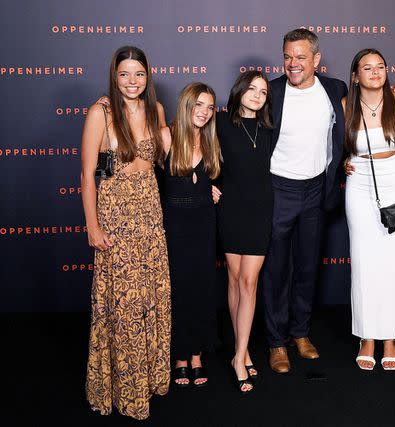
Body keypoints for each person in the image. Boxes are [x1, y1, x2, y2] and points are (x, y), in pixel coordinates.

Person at [81, 46, 171, 420]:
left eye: (138, 74)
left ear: (147, 76)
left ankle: (150, 378)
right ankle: (122, 389)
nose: (132, 81)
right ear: (114, 77)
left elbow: (161, 162)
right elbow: (88, 175)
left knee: (151, 295)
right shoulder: (100, 112)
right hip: (116, 215)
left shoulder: (157, 111)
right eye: (124, 75)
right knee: (124, 304)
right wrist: (92, 226)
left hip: (150, 213)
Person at [262, 28, 348, 373]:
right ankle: (276, 342)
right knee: (276, 270)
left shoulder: (336, 89)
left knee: (308, 266)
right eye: (287, 56)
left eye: (300, 57)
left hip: (316, 190)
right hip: (278, 190)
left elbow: (371, 109)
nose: (292, 63)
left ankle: (300, 333)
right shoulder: (270, 91)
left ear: (316, 59)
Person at [343, 48, 395, 371]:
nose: (375, 72)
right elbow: (339, 146)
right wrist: (345, 161)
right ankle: (367, 335)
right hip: (359, 186)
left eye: (380, 66)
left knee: (393, 263)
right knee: (364, 261)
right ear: (356, 75)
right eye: (367, 68)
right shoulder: (346, 106)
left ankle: (390, 337)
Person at [158, 83, 221, 389]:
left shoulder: (210, 140)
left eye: (210, 107)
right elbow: (149, 182)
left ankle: (197, 354)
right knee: (178, 290)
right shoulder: (166, 136)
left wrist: (209, 188)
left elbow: (208, 178)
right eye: (199, 105)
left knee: (202, 288)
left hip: (204, 224)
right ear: (185, 105)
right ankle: (180, 357)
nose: (204, 112)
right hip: (175, 227)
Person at [216, 71, 273, 392]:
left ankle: (238, 357)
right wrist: (209, 186)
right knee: (235, 280)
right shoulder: (220, 123)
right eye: (251, 88)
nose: (256, 95)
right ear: (239, 91)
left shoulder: (269, 129)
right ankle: (244, 348)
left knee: (249, 282)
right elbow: (195, 150)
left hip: (260, 211)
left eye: (263, 92)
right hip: (231, 210)